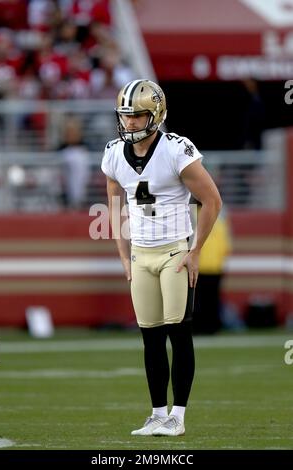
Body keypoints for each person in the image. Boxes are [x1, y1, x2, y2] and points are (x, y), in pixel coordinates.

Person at [101, 79, 222, 436]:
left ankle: (178, 417)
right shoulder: (112, 153)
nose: (130, 123)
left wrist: (196, 251)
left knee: (178, 334)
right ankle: (157, 414)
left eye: (137, 116)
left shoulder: (176, 150)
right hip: (141, 254)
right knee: (150, 337)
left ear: (155, 114)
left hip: (174, 252)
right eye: (125, 116)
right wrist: (124, 256)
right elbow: (114, 205)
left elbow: (212, 200)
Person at [193, 208, 232, 334]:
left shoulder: (219, 214)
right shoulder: (193, 212)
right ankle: (200, 326)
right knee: (199, 299)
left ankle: (211, 326)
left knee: (211, 299)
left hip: (214, 265)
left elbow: (224, 240)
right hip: (200, 265)